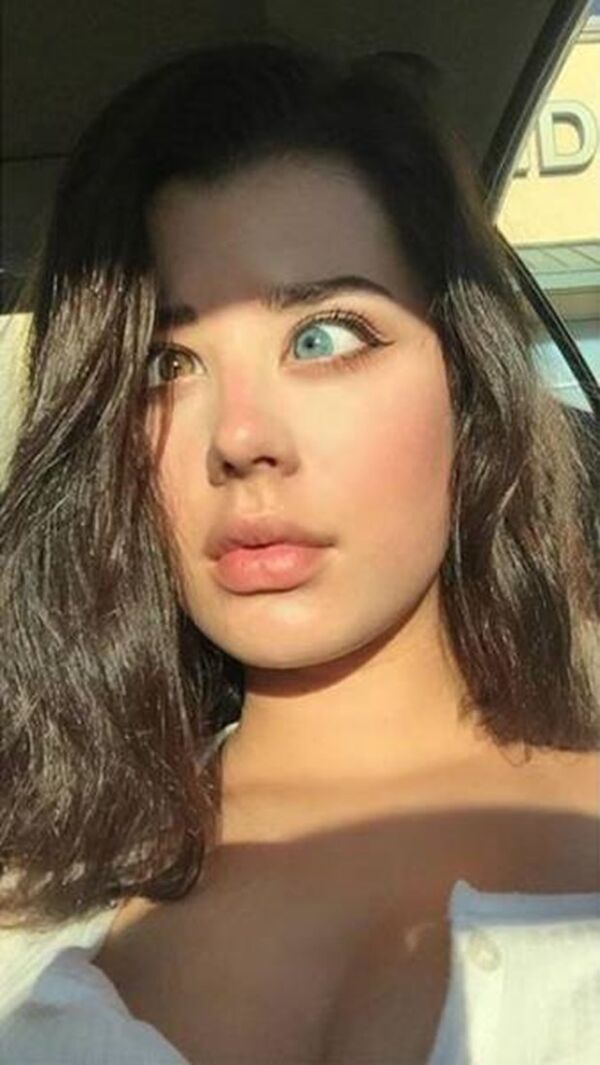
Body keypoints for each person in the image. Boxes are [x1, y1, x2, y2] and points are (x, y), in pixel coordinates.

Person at [0, 37, 599, 1065]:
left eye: (322, 336)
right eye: (166, 364)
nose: (240, 439)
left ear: (469, 385)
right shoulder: (32, 890)